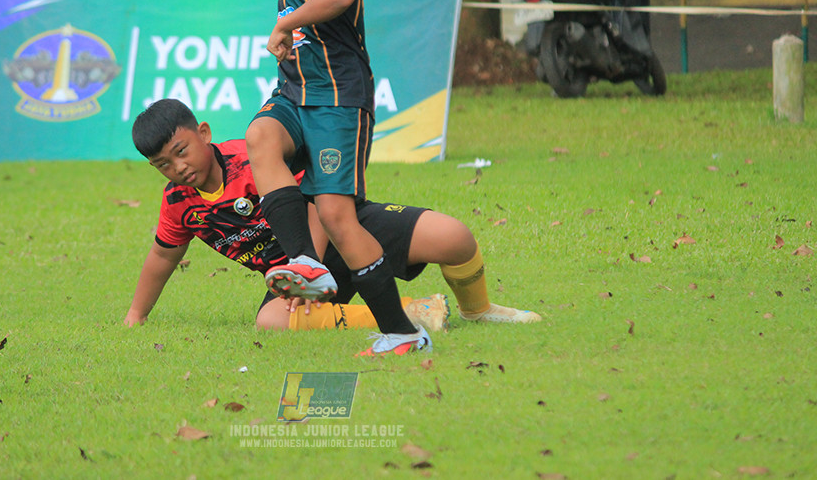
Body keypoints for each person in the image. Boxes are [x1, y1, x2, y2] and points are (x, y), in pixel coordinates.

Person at [123, 100, 540, 354]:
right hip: (301, 276)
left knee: (454, 236)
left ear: (203, 133)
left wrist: (309, 267)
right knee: (270, 322)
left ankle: (479, 310)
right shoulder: (180, 204)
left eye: (181, 152)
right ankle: (413, 311)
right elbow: (162, 255)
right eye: (163, 165)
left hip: (341, 227)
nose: (178, 168)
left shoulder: (252, 161)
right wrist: (135, 317)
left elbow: (314, 204)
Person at [244, 0, 429, 356]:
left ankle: (402, 333)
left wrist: (285, 23)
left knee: (337, 218)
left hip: (336, 102)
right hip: (296, 95)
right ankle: (307, 263)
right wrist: (289, 35)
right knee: (260, 136)